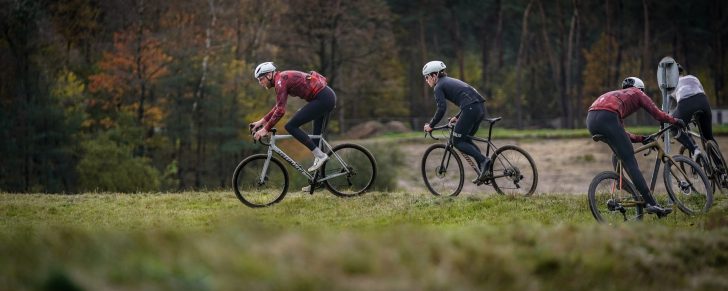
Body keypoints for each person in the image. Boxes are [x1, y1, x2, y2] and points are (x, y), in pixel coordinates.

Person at [586, 76, 685, 217]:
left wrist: (641, 139)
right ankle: (651, 203)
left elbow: (621, 132)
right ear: (641, 89)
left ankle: (624, 184)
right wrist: (675, 121)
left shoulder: (616, 96)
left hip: (591, 120)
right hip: (607, 118)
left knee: (620, 152)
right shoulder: (638, 93)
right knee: (630, 161)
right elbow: (657, 114)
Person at [249, 62, 336, 174]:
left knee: (290, 126)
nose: (260, 83)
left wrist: (265, 129)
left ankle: (321, 156)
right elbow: (278, 106)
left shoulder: (280, 81)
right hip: (324, 98)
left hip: (323, 99)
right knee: (316, 141)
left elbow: (280, 111)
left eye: (261, 79)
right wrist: (262, 122)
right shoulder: (280, 80)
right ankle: (321, 180)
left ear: (269, 75)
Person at [421, 60, 490, 182]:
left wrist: (431, 125)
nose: (426, 80)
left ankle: (484, 161)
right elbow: (469, 99)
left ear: (434, 75)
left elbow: (441, 108)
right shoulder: (450, 81)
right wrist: (458, 116)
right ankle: (484, 172)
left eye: (427, 77)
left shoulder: (439, 86)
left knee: (457, 141)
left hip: (470, 109)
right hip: (479, 108)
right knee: (466, 140)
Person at [670, 64, 716, 161]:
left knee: (673, 128)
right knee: (708, 136)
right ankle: (721, 168)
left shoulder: (671, 86)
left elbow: (667, 110)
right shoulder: (693, 77)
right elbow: (702, 92)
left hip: (686, 104)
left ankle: (695, 150)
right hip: (703, 101)